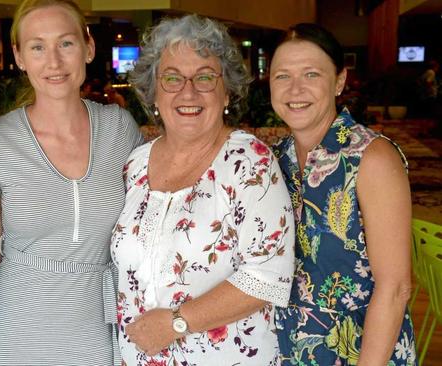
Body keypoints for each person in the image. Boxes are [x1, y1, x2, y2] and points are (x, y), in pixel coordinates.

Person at [0, 1, 143, 365]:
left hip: (97, 328)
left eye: (66, 43)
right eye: (37, 46)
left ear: (88, 47)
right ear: (18, 56)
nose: (54, 62)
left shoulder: (120, 129)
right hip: (14, 329)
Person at [112, 14, 295, 365]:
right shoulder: (135, 164)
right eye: (172, 78)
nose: (189, 91)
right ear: (152, 92)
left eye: (205, 77)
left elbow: (268, 276)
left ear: (226, 90)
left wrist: (176, 323)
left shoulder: (249, 161)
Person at [270, 23, 416, 365]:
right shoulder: (276, 159)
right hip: (290, 348)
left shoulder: (371, 157)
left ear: (339, 81)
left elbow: (395, 287)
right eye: (282, 76)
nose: (295, 89)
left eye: (311, 74)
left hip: (364, 351)